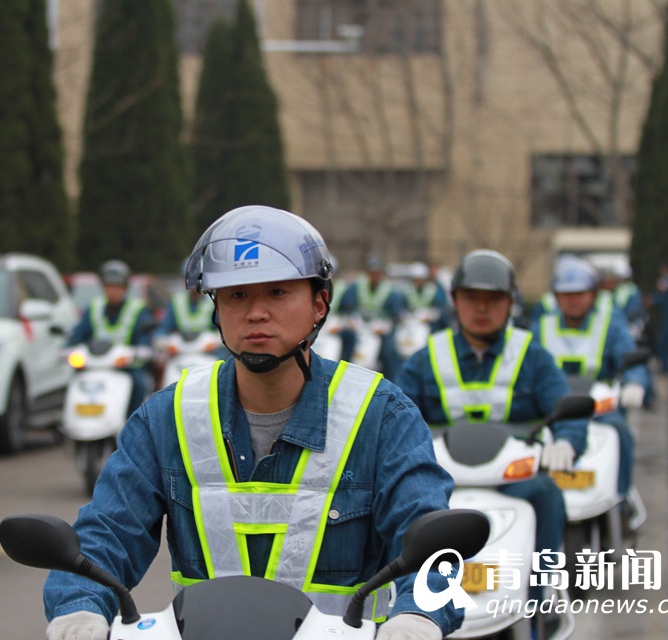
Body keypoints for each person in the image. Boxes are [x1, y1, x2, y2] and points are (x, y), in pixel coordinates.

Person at [43, 205, 461, 640]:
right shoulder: (166, 418)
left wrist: (419, 615)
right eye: (237, 295)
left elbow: (429, 541)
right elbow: (108, 531)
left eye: (278, 292)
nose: (256, 312)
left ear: (320, 304)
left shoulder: (382, 416)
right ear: (216, 309)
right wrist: (80, 603)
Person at [398, 250, 588, 564]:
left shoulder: (533, 357)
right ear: (455, 300)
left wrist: (567, 441)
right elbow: (396, 420)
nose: (482, 308)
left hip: (512, 479)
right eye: (471, 297)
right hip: (444, 480)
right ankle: (411, 600)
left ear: (510, 303)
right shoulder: (425, 358)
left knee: (548, 494)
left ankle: (541, 600)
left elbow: (563, 406)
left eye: (494, 298)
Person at [531, 255, 649, 504]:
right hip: (554, 411)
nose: (573, 300)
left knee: (620, 433)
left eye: (580, 293)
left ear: (593, 294)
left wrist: (635, 382)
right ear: (556, 296)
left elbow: (629, 357)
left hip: (599, 408)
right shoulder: (540, 328)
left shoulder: (609, 327)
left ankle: (621, 497)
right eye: (566, 294)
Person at [67, 259, 154, 416]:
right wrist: (67, 348)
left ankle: (131, 422)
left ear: (125, 288)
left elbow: (144, 336)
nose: (112, 291)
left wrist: (141, 350)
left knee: (139, 383)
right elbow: (79, 333)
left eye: (116, 287)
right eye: (108, 286)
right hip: (95, 366)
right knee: (72, 380)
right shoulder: (94, 307)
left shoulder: (137, 309)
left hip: (125, 367)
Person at [336, 253, 407, 381]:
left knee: (388, 350)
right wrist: (350, 320)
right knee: (347, 342)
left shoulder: (390, 290)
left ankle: (391, 379)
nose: (374, 276)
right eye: (372, 273)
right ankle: (343, 375)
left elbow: (396, 314)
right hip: (359, 325)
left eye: (377, 273)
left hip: (380, 327)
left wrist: (387, 325)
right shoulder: (356, 287)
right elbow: (345, 307)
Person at [404, 261, 451, 333]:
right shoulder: (408, 292)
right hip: (414, 325)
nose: (418, 282)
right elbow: (404, 307)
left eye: (420, 279)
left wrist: (430, 315)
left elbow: (441, 308)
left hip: (431, 325)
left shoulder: (433, 290)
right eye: (415, 280)